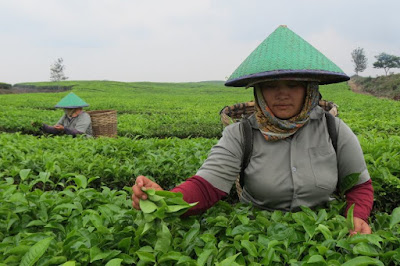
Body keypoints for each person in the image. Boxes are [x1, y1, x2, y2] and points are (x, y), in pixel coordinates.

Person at [132, 25, 374, 235]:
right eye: (270, 86)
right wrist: (165, 198)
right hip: (257, 231)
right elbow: (206, 187)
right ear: (258, 92)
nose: (282, 94)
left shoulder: (334, 129)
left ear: (309, 89)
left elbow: (359, 185)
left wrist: (357, 216)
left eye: (293, 85)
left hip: (319, 229)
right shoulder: (240, 134)